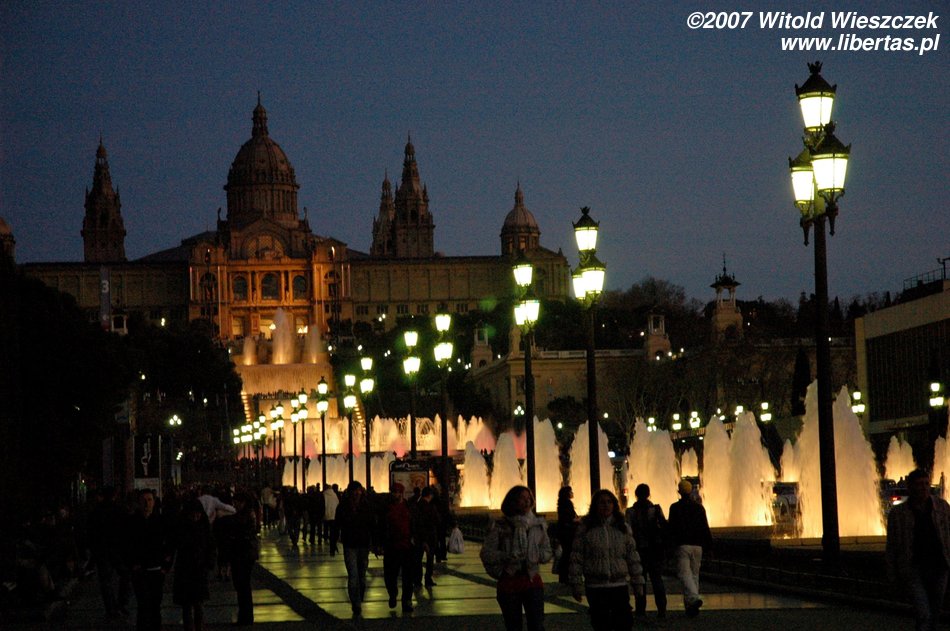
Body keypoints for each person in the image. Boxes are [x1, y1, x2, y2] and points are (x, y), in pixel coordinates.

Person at [568, 489, 644, 631]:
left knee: (624, 624)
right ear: (595, 505)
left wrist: (638, 582)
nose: (606, 505)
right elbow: (577, 558)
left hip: (619, 584)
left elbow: (632, 557)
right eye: (602, 502)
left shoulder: (622, 527)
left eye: (609, 502)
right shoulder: (586, 528)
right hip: (596, 586)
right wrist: (576, 583)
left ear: (614, 505)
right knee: (601, 624)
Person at [480, 485, 552, 631]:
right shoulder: (500, 526)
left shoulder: (537, 525)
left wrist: (537, 555)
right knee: (513, 626)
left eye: (529, 498)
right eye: (522, 498)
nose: (527, 502)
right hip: (509, 582)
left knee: (537, 625)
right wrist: (506, 557)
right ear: (512, 501)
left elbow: (547, 552)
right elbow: (486, 553)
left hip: (532, 581)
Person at [886, 468, 950, 631]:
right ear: (910, 487)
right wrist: (893, 574)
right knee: (923, 614)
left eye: (926, 483)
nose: (924, 488)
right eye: (919, 484)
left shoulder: (942, 507)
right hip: (914, 569)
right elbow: (892, 546)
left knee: (935, 613)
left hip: (939, 566)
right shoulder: (898, 514)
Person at [126, 489, 172, 631]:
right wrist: (132, 564)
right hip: (140, 570)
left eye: (149, 500)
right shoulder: (132, 522)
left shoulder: (161, 521)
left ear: (154, 502)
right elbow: (125, 544)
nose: (147, 503)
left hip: (156, 569)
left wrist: (165, 566)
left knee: (155, 605)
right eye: (144, 500)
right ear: (139, 502)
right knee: (143, 605)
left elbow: (170, 544)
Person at [667, 479, 712, 617]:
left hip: (683, 545)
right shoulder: (699, 508)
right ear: (691, 491)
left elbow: (671, 528)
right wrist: (709, 545)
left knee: (684, 574)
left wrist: (669, 546)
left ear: (679, 492)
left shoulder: (675, 508)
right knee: (694, 575)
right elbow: (705, 527)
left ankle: (693, 598)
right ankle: (691, 607)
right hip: (698, 546)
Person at [625, 483, 667, 619]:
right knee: (657, 580)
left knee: (639, 580)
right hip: (655, 550)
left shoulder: (630, 512)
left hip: (638, 550)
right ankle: (661, 610)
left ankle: (640, 610)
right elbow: (664, 526)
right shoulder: (656, 509)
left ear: (636, 495)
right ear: (649, 494)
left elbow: (627, 532)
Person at [172, 499, 215, 631]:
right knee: (190, 605)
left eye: (197, 513)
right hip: (188, 569)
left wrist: (209, 562)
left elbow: (210, 546)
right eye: (193, 514)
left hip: (197, 569)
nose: (196, 516)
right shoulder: (200, 526)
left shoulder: (191, 526)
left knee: (196, 605)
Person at [335, 481, 377, 616]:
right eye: (355, 491)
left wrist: (375, 543)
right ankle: (356, 603)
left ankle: (359, 596)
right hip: (350, 544)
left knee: (362, 576)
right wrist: (333, 542)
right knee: (353, 575)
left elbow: (372, 524)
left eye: (358, 490)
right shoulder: (343, 506)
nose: (357, 493)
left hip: (363, 544)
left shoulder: (366, 505)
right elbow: (337, 524)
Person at [224, 491, 260, 626]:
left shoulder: (245, 515)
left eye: (237, 502)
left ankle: (245, 616)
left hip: (243, 554)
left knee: (242, 585)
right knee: (242, 586)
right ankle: (245, 616)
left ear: (243, 502)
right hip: (245, 553)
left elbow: (239, 526)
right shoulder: (248, 513)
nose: (235, 505)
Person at [381, 482, 415, 612]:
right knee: (390, 575)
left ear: (402, 493)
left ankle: (406, 601)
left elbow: (415, 523)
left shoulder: (409, 507)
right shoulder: (386, 508)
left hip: (407, 547)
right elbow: (381, 526)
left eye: (397, 492)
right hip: (391, 547)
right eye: (393, 492)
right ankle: (393, 594)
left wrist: (416, 539)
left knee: (408, 576)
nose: (395, 494)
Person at [411, 486, 442, 587]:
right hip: (430, 537)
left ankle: (417, 580)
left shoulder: (416, 506)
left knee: (417, 559)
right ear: (430, 495)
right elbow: (437, 520)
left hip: (418, 537)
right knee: (430, 559)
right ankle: (428, 579)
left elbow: (414, 522)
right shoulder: (431, 507)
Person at [553, 486, 578, 584]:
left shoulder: (561, 504)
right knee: (568, 554)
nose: (572, 493)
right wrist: (577, 521)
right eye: (571, 491)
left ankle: (563, 576)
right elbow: (569, 519)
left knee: (565, 554)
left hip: (563, 533)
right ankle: (565, 576)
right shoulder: (568, 503)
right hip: (568, 533)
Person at [323, 483, 340, 555]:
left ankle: (326, 539)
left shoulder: (324, 495)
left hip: (326, 515)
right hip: (334, 515)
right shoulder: (334, 495)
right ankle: (333, 545)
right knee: (333, 531)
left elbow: (322, 505)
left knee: (327, 529)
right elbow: (338, 504)